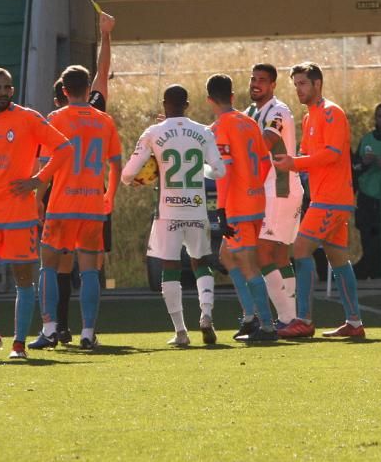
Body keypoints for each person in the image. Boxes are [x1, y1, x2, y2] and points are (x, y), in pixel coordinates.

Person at [0, 67, 72, 360]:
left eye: (7, 87)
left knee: (23, 278)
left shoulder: (28, 118)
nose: (3, 92)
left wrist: (38, 180)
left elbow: (64, 148)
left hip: (19, 213)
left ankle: (19, 344)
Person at [121, 84, 225, 347]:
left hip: (168, 212)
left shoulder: (153, 132)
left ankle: (181, 332)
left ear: (164, 105)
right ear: (187, 105)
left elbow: (127, 174)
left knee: (170, 266)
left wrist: (142, 177)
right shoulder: (204, 132)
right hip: (197, 208)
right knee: (201, 262)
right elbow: (219, 170)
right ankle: (207, 315)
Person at [27, 65, 121, 351]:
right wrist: (111, 196)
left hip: (62, 204)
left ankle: (50, 329)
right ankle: (88, 332)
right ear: (88, 90)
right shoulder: (104, 121)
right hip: (93, 203)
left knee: (49, 267)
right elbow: (116, 163)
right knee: (90, 269)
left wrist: (36, 200)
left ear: (64, 91)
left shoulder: (55, 118)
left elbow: (45, 166)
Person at [271, 63, 366, 338]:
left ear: (317, 84)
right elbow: (308, 156)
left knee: (300, 248)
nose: (298, 89)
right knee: (338, 259)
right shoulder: (309, 117)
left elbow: (334, 153)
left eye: (302, 83)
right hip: (325, 198)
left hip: (331, 199)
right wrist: (294, 163)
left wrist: (295, 163)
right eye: (296, 84)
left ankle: (304, 320)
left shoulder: (331, 113)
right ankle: (355, 323)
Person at [207, 74, 278, 342]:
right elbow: (265, 162)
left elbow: (225, 170)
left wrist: (221, 209)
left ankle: (268, 326)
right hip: (255, 200)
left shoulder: (219, 128)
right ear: (233, 96)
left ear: (209, 100)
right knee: (227, 256)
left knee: (249, 265)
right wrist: (252, 185)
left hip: (237, 205)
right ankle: (250, 317)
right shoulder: (248, 122)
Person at [244, 63, 302, 331]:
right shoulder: (251, 112)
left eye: (262, 80)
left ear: (273, 85)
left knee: (261, 253)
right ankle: (291, 319)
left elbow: (262, 143)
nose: (256, 84)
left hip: (280, 190)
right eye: (253, 79)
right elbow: (219, 128)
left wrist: (232, 142)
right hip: (274, 191)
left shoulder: (278, 111)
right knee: (279, 256)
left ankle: (289, 318)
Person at [352, 103, 381, 281]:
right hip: (367, 198)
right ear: (375, 119)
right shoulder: (367, 140)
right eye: (380, 116)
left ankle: (379, 273)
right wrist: (364, 163)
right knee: (367, 239)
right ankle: (368, 271)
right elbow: (354, 168)